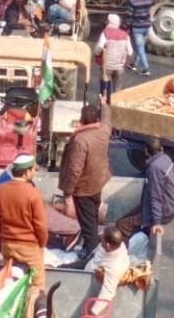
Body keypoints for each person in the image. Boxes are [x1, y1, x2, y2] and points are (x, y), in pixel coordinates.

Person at [0, 155, 48, 310]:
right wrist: (41, 244)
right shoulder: (33, 194)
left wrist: (0, 242)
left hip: (8, 246)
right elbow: (40, 225)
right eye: (33, 169)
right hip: (29, 248)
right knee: (36, 286)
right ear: (26, 172)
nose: (34, 172)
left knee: (9, 283)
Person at [59, 102, 112, 259]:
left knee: (88, 224)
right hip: (98, 182)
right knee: (92, 217)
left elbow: (75, 169)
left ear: (81, 119)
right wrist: (104, 105)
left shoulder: (80, 140)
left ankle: (92, 254)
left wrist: (68, 192)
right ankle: (90, 245)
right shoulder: (103, 131)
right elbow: (107, 118)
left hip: (84, 188)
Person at [115, 138, 174, 239]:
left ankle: (126, 245)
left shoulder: (154, 168)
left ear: (146, 151)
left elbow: (155, 197)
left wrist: (156, 222)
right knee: (123, 219)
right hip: (169, 205)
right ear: (161, 149)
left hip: (163, 210)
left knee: (122, 225)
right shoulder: (165, 158)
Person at [86, 227, 131, 313]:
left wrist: (93, 312)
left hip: (86, 277)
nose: (100, 240)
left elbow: (108, 292)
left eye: (102, 239)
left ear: (108, 245)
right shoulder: (117, 245)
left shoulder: (114, 267)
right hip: (90, 262)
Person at [95, 15, 132, 101]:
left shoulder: (105, 33)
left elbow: (99, 49)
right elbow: (130, 52)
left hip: (107, 66)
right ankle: (115, 106)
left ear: (109, 22)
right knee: (117, 92)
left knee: (104, 91)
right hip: (119, 68)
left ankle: (104, 106)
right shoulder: (125, 35)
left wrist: (96, 54)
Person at [128, 0, 153, 76]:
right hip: (147, 26)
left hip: (137, 27)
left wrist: (126, 26)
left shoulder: (133, 0)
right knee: (140, 47)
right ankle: (134, 64)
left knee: (140, 48)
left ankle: (146, 69)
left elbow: (129, 15)